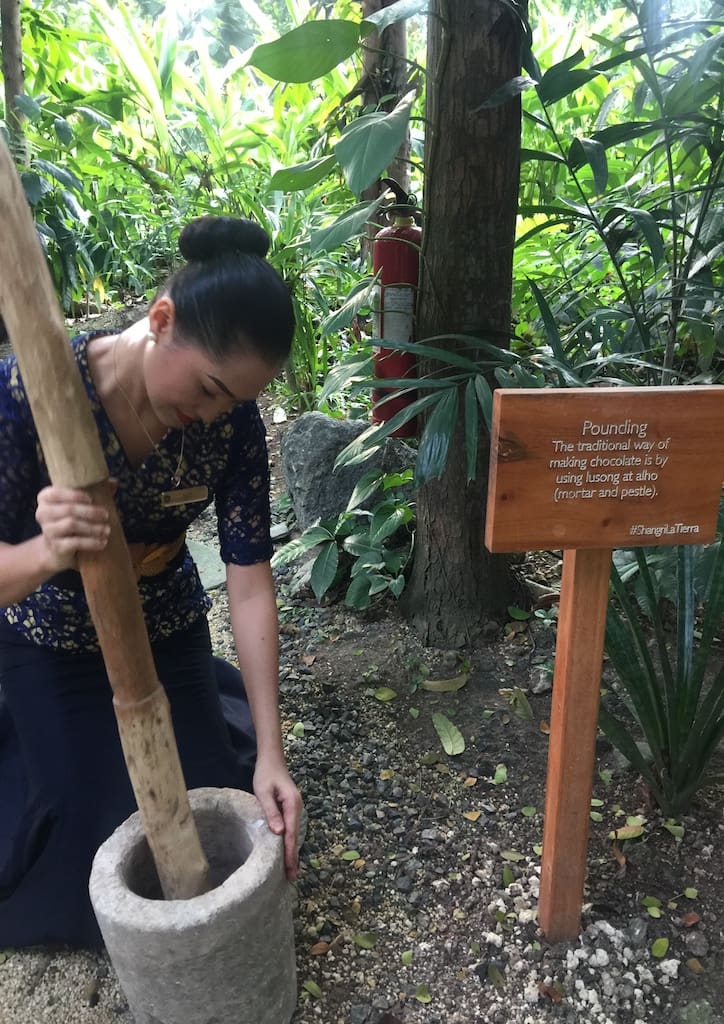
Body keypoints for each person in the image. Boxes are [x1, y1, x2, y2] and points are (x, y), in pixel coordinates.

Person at [0, 215, 303, 948]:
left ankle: (226, 716)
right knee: (89, 849)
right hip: (51, 640)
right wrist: (48, 551)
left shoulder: (229, 429)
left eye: (232, 402)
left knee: (206, 821)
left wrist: (272, 750)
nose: (210, 415)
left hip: (165, 631)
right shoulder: (28, 395)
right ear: (160, 319)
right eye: (207, 388)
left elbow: (249, 579)